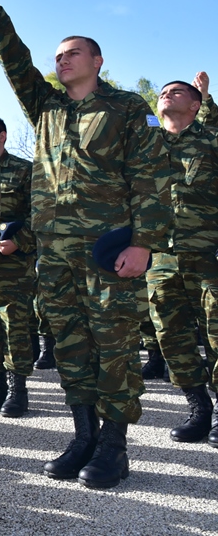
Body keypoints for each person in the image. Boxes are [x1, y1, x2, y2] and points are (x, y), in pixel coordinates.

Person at [0, 0, 170, 489]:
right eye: (57, 55)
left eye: (72, 53)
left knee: (116, 347)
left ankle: (114, 446)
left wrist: (145, 244)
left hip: (108, 250)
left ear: (98, 60)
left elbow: (150, 178)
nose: (61, 60)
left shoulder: (127, 108)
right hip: (55, 255)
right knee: (72, 346)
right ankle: (82, 435)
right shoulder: (46, 107)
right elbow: (12, 58)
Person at [146, 72, 218, 445]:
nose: (166, 95)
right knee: (170, 334)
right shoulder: (147, 147)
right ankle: (198, 407)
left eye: (176, 92)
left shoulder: (212, 141)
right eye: (162, 92)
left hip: (207, 252)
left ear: (195, 105)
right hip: (160, 257)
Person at [0, 118, 36, 418]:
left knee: (15, 326)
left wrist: (20, 240)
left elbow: (41, 213)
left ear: (1, 135)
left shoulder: (24, 170)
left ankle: (18, 390)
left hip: (13, 263)